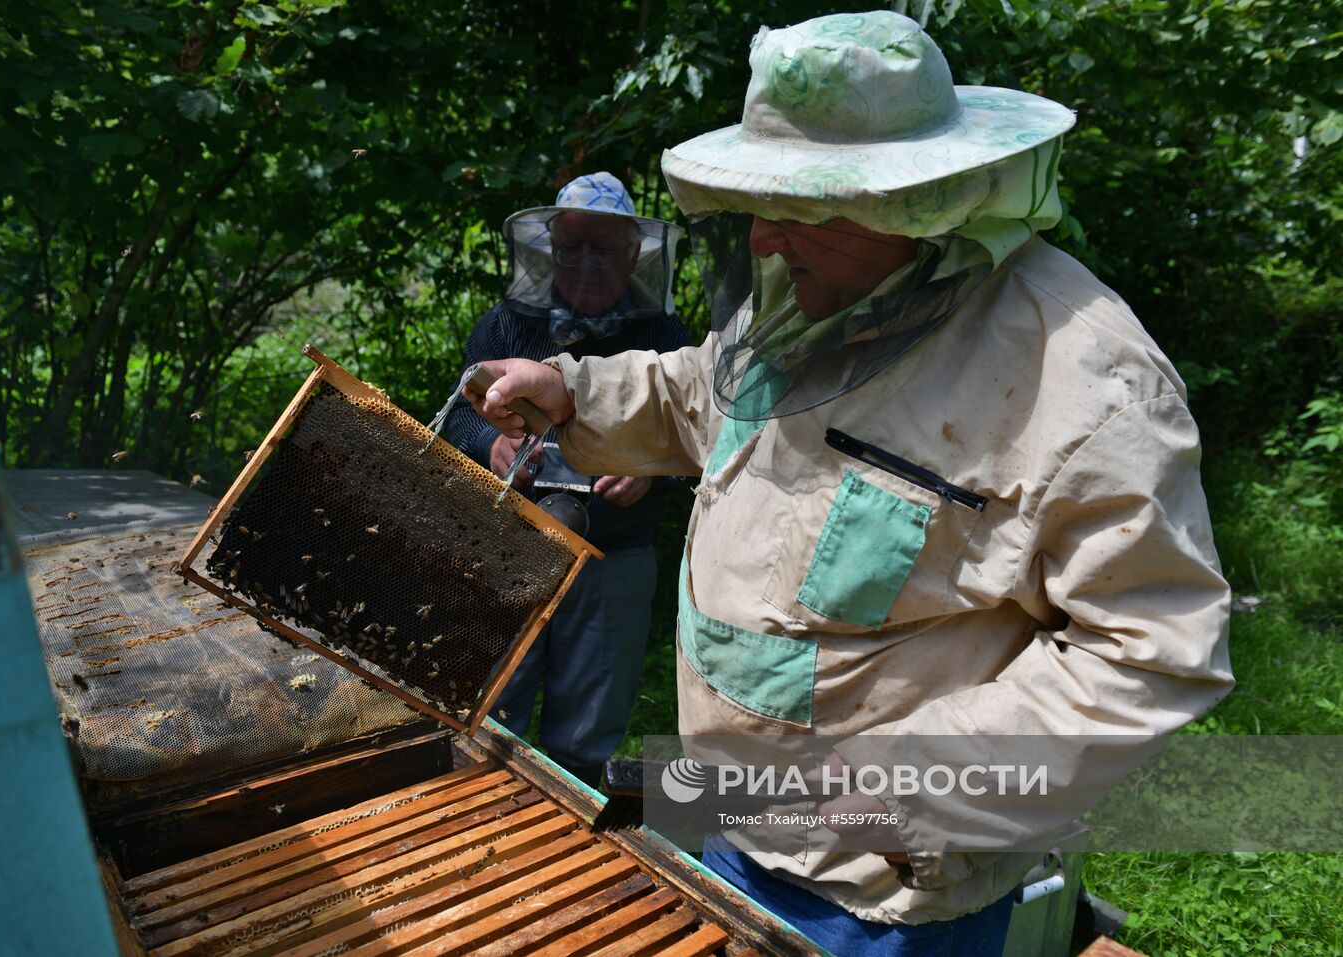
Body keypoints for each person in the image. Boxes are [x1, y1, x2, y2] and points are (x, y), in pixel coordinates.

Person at [464, 12, 1232, 957]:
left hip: (887, 890)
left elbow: (1151, 650)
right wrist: (575, 392)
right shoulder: (811, 288)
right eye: (763, 198)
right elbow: (707, 394)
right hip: (732, 816)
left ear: (918, 199)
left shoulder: (1086, 376)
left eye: (805, 203)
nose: (766, 236)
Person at [442, 172, 692, 787]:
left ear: (635, 254)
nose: (585, 264)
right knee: (488, 711)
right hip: (507, 543)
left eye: (603, 250)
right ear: (549, 250)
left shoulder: (665, 337)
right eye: (571, 248)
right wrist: (492, 442)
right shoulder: (503, 327)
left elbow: (700, 444)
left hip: (615, 553)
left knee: (586, 730)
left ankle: (573, 834)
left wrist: (650, 476)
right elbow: (454, 420)